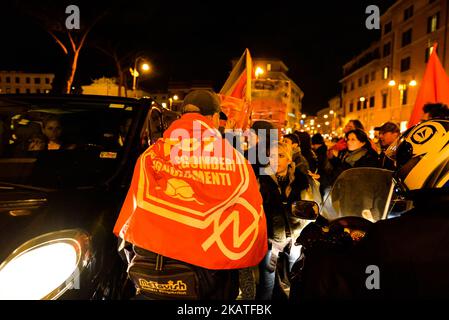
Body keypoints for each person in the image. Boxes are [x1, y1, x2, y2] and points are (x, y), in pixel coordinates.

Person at [113, 90, 268, 300]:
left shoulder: (151, 154)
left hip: (149, 271)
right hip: (207, 275)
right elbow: (250, 213)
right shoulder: (234, 159)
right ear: (213, 117)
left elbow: (133, 211)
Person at [297, 118, 449, 300]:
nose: (399, 167)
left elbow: (367, 282)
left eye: (407, 160)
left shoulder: (393, 236)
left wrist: (321, 249)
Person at [256, 141, 309, 300]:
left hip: (296, 237)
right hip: (271, 238)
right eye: (272, 156)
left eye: (280, 155)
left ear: (288, 159)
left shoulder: (301, 179)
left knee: (295, 278)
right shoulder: (261, 179)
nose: (276, 160)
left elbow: (310, 204)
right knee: (267, 280)